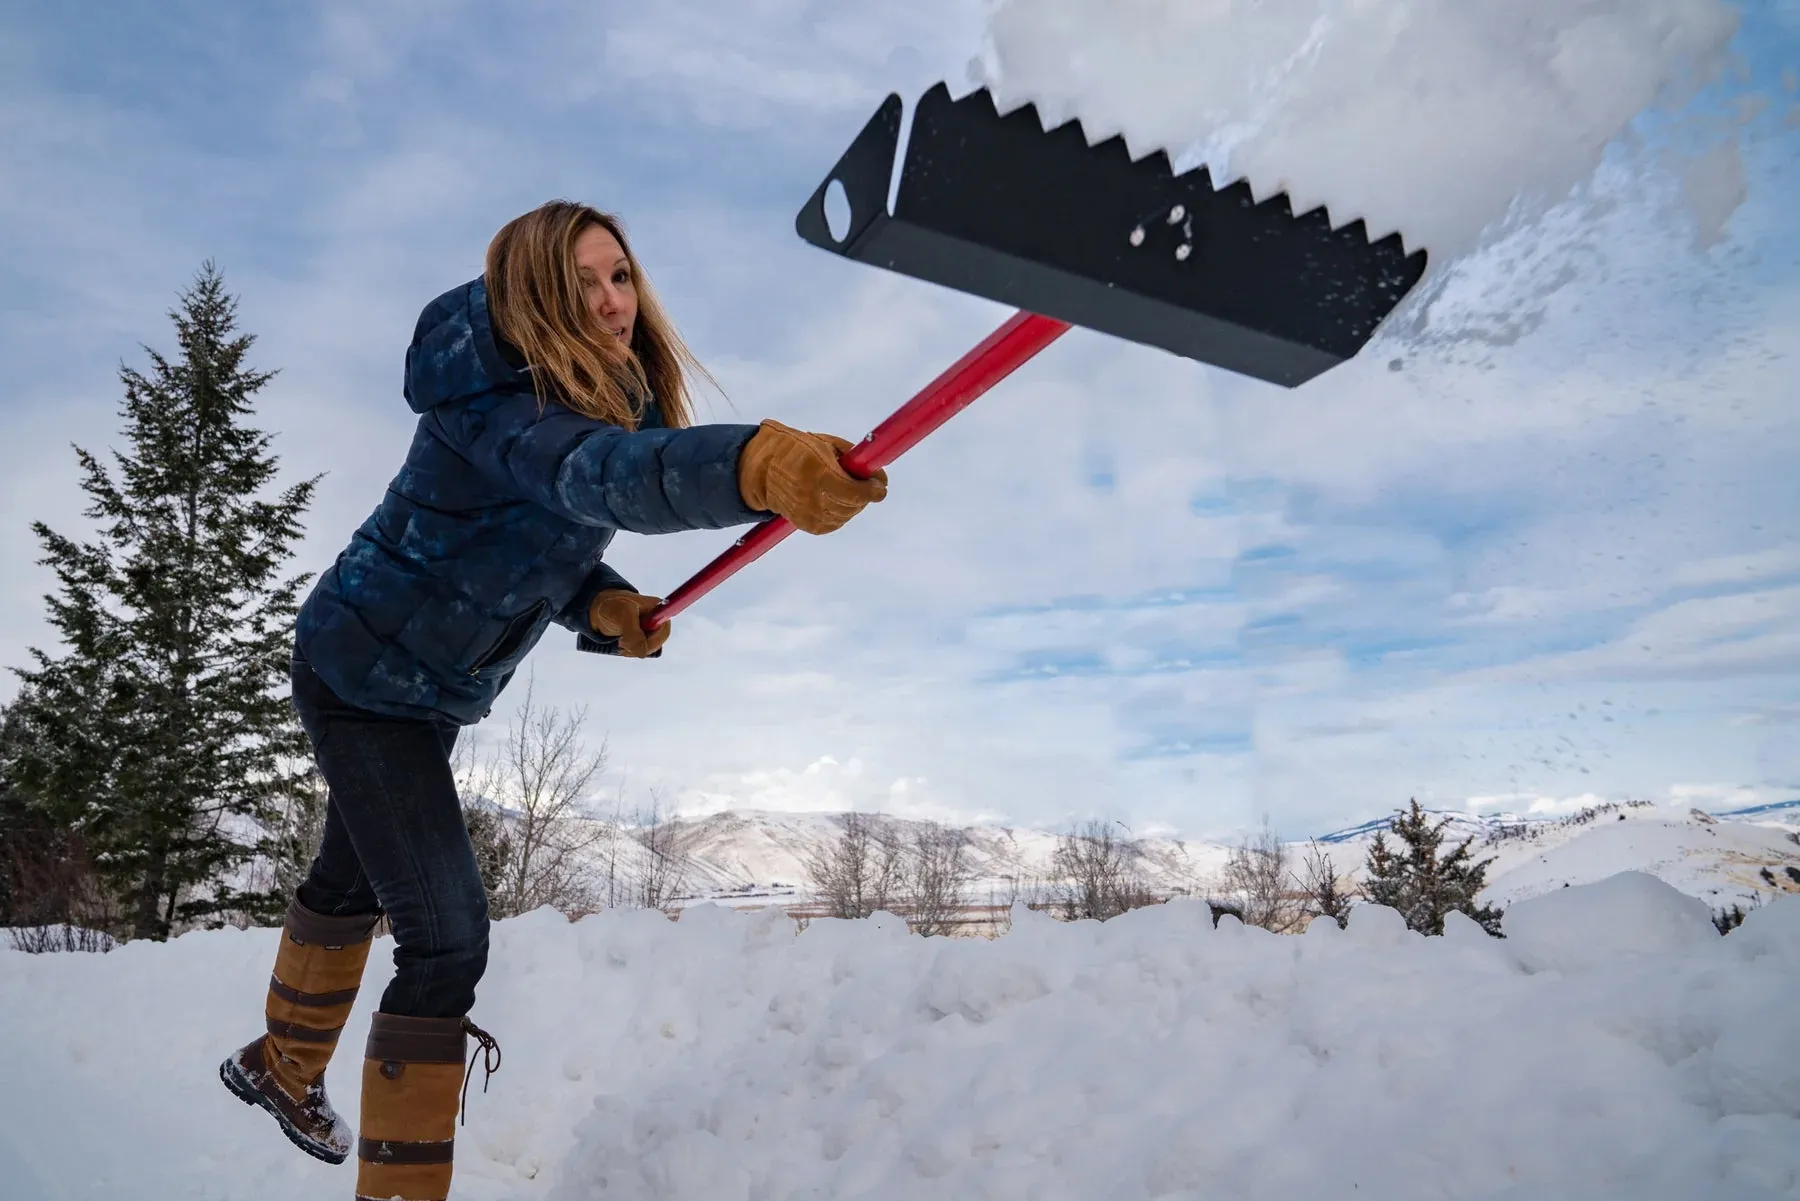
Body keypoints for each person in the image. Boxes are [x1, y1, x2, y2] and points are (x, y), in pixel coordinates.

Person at [218, 199, 887, 1200]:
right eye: (583, 284)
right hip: (364, 674)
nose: (613, 302)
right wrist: (755, 465)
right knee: (446, 936)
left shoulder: (595, 394)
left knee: (358, 878)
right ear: (535, 295)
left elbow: (548, 540)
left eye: (620, 276)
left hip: (426, 681)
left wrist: (604, 605)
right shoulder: (500, 402)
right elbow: (608, 481)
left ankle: (277, 1066)